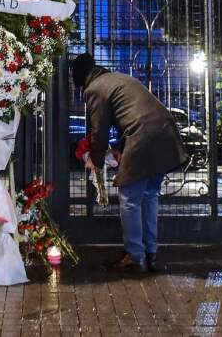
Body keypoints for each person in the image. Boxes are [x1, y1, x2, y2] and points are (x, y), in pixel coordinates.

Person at [72, 52, 189, 274]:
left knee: (129, 198)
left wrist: (95, 162)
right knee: (149, 196)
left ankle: (135, 257)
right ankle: (150, 253)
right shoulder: (120, 79)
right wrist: (119, 149)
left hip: (144, 136)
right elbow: (134, 115)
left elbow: (99, 131)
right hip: (164, 133)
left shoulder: (95, 89)